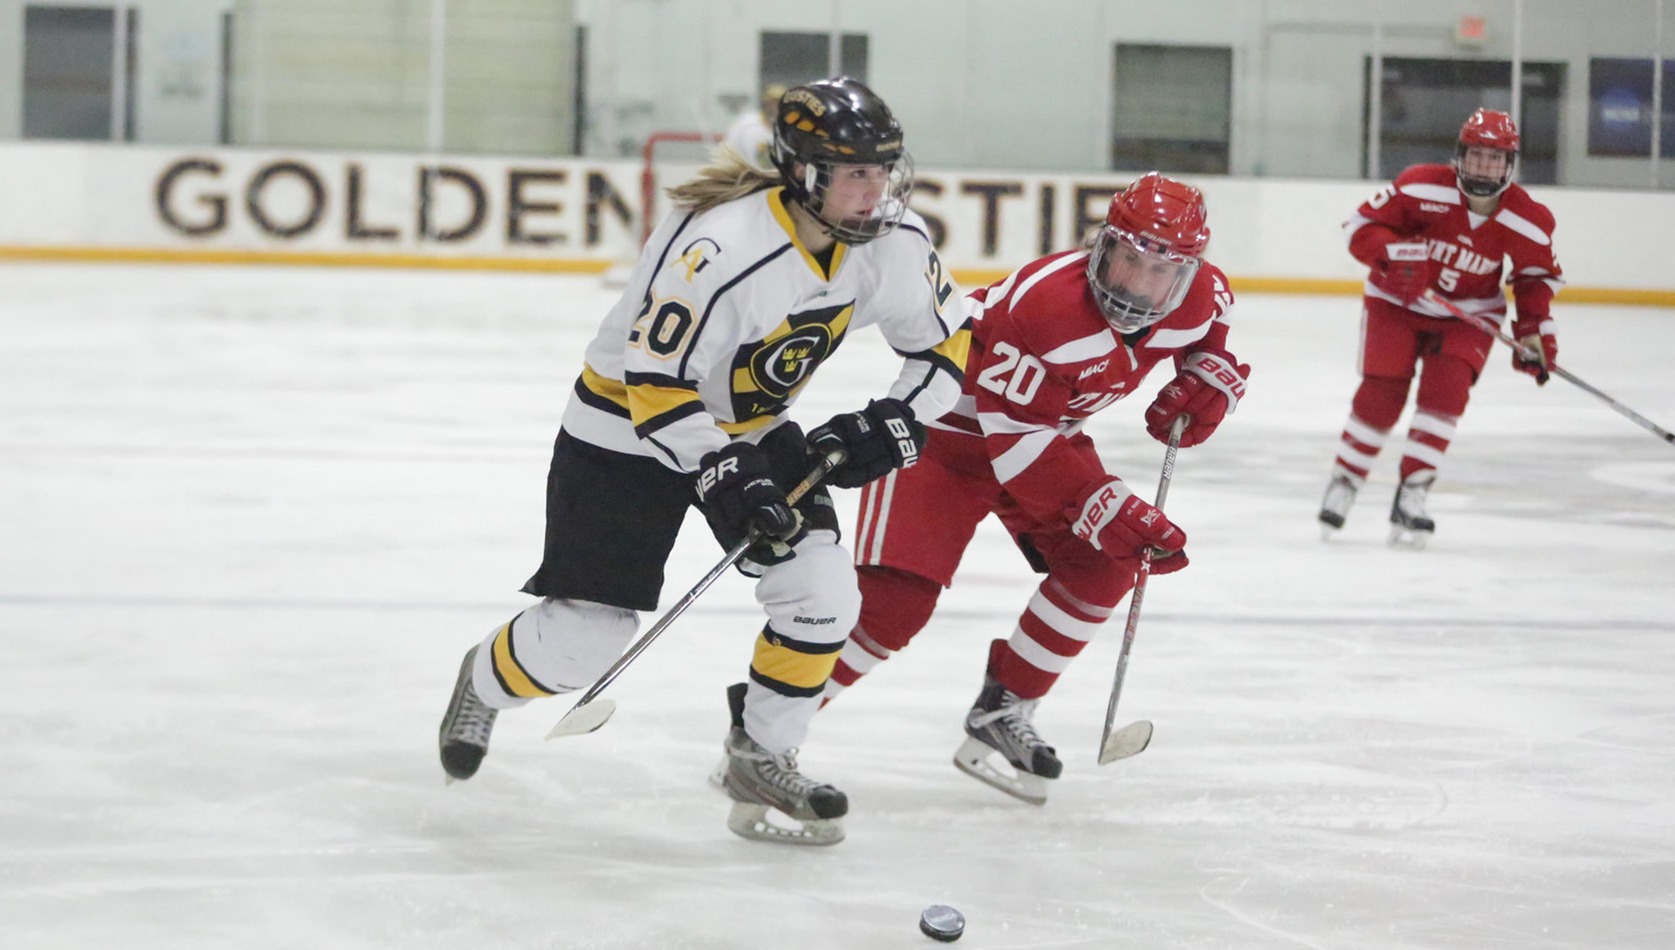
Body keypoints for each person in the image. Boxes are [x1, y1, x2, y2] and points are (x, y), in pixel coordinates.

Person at [437, 77, 970, 846]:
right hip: (622, 431)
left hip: (751, 426)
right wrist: (718, 468)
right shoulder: (722, 248)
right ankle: (483, 681)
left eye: (882, 168)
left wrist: (895, 420)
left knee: (822, 597)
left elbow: (945, 344)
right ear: (803, 173)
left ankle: (761, 753)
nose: (874, 188)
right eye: (854, 171)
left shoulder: (894, 245)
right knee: (584, 639)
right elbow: (651, 379)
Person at [819, 172, 1250, 805]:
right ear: (1104, 246)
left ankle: (1003, 709)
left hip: (1041, 431)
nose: (1136, 284)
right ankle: (766, 727)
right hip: (942, 435)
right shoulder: (1046, 307)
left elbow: (1206, 339)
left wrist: (1205, 382)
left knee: (1104, 567)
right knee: (891, 609)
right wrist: (1101, 502)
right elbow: (1016, 445)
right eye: (1128, 259)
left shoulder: (1204, 296)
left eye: (1160, 271)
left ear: (1188, 273)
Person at [1318, 108, 1564, 548]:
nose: (1483, 166)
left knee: (1446, 393)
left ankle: (1412, 494)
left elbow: (1535, 277)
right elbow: (1359, 226)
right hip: (1397, 303)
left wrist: (1533, 331)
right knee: (1382, 391)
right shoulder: (1420, 184)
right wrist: (1394, 254)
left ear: (1510, 164)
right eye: (1475, 155)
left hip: (1468, 314)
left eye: (1495, 157)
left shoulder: (1528, 218)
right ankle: (1346, 479)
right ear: (1459, 156)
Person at [723, 83, 785, 169]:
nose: (774, 107)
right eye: (770, 103)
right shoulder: (746, 124)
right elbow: (729, 150)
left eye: (777, 103)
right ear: (764, 103)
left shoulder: (790, 130)